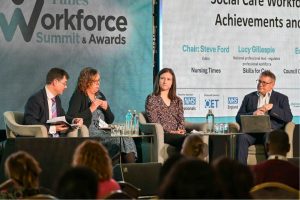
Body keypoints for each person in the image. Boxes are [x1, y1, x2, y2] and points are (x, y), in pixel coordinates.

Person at [67, 67, 137, 163]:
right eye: (95, 81)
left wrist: (106, 108)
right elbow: (71, 117)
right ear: (86, 82)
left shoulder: (100, 95)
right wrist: (91, 109)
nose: (98, 83)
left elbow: (110, 120)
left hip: (104, 130)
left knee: (127, 135)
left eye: (98, 81)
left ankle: (129, 171)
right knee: (119, 139)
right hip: (91, 132)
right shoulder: (79, 95)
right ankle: (115, 171)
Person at [236, 70, 293, 164]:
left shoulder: (282, 98)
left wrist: (272, 108)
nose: (260, 84)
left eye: (264, 82)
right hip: (251, 133)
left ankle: (270, 170)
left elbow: (288, 117)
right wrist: (253, 113)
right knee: (242, 137)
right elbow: (238, 118)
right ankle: (241, 172)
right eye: (259, 81)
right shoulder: (249, 97)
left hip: (269, 131)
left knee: (269, 136)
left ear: (272, 84)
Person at [24, 67, 87, 137]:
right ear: (55, 82)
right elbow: (29, 121)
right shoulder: (35, 99)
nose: (66, 87)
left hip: (58, 137)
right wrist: (53, 128)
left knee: (78, 130)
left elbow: (62, 116)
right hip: (42, 138)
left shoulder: (57, 99)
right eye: (64, 83)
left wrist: (74, 120)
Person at [145, 68, 186, 151]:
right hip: (163, 134)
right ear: (158, 80)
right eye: (162, 78)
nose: (165, 81)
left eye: (168, 79)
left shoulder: (177, 100)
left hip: (178, 133)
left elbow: (181, 119)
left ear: (172, 83)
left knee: (201, 140)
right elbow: (154, 121)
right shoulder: (152, 98)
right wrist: (172, 131)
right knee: (185, 141)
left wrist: (180, 130)